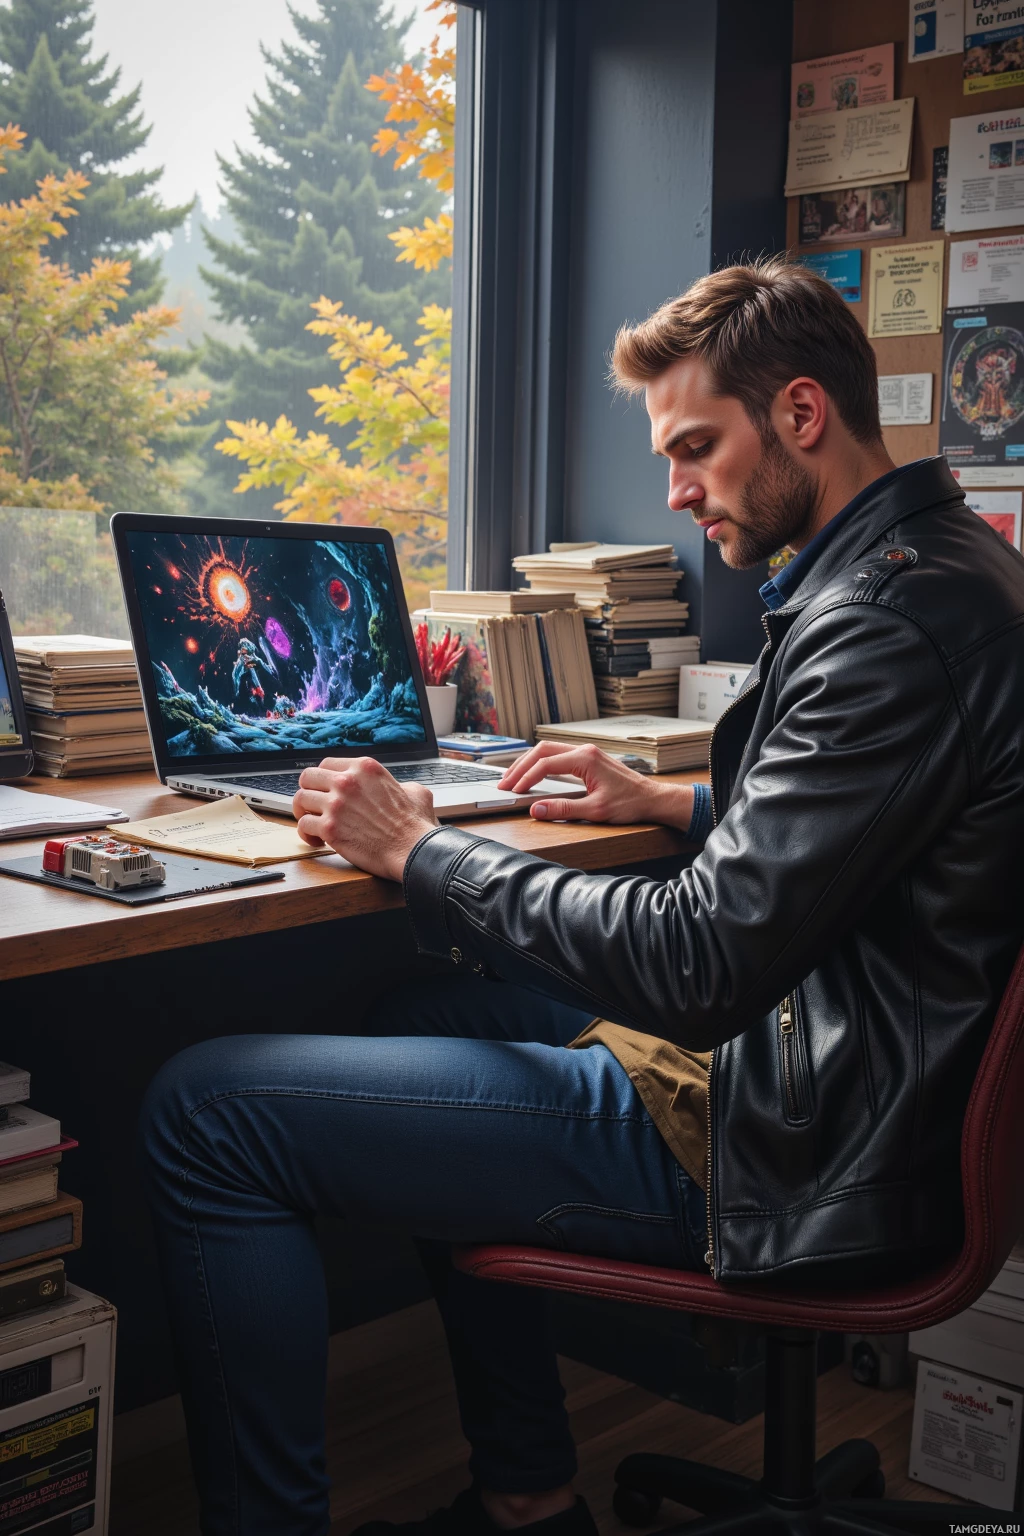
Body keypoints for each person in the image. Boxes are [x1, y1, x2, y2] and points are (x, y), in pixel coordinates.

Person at [140, 257, 1024, 1536]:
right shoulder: (940, 567)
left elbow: (691, 963)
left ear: (798, 414)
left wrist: (420, 852)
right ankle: (528, 1495)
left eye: (695, 449)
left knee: (201, 1112)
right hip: (844, 1080)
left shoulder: (883, 622)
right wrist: (670, 803)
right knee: (411, 1010)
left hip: (789, 1145)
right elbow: (891, 837)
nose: (675, 492)